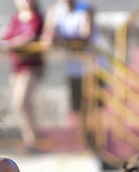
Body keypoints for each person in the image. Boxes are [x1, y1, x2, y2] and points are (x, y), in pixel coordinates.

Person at [41, 0, 101, 146]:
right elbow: (48, 35)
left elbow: (85, 35)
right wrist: (51, 36)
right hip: (73, 66)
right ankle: (85, 140)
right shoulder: (55, 11)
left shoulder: (85, 9)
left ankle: (96, 141)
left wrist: (61, 39)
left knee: (94, 105)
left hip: (92, 65)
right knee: (79, 106)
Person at [0, 0, 45, 152]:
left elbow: (31, 36)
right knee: (21, 105)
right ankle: (31, 138)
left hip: (31, 65)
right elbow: (7, 37)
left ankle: (33, 140)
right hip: (17, 66)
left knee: (21, 102)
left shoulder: (36, 17)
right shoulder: (16, 19)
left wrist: (11, 44)